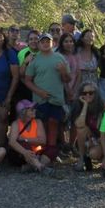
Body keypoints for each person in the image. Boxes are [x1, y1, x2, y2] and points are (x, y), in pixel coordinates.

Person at [23, 32, 71, 165]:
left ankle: (51, 153)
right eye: (42, 42)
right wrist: (39, 92)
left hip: (56, 100)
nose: (45, 44)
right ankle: (42, 154)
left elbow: (67, 79)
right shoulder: (34, 60)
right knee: (41, 126)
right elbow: (27, 80)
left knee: (54, 124)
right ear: (38, 44)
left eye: (47, 41)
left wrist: (63, 71)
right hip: (40, 100)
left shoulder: (60, 58)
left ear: (52, 43)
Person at [72, 81, 105, 172]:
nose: (88, 95)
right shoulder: (79, 105)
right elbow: (79, 124)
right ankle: (82, 158)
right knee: (81, 129)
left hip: (104, 137)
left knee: (94, 154)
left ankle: (103, 157)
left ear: (96, 93)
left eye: (91, 93)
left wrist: (101, 139)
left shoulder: (104, 105)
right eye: (84, 93)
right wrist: (85, 105)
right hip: (89, 137)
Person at [7, 100, 52, 174]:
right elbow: (12, 142)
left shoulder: (38, 122)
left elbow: (43, 141)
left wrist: (25, 139)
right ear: (23, 112)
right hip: (21, 154)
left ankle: (32, 166)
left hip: (37, 151)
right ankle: (39, 166)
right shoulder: (16, 124)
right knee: (24, 145)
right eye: (31, 109)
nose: (34, 110)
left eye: (34, 109)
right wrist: (25, 152)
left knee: (52, 149)